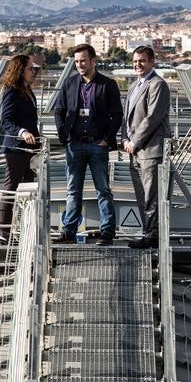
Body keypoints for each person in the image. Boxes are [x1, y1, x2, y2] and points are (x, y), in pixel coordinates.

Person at [54, 43, 123, 246]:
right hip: (74, 145)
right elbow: (59, 110)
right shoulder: (70, 83)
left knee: (103, 189)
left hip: (97, 146)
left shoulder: (107, 84)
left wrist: (107, 139)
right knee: (73, 190)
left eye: (83, 60)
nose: (80, 65)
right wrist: (63, 136)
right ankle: (69, 232)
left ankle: (107, 232)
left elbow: (117, 114)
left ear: (93, 61)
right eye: (76, 61)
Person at [122, 45, 171, 249]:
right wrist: (124, 139)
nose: (138, 64)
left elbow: (152, 118)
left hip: (151, 151)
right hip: (135, 151)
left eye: (142, 60)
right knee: (142, 196)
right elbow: (127, 118)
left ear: (152, 62)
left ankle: (153, 236)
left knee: (152, 196)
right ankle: (147, 233)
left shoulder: (157, 84)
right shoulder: (135, 86)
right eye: (135, 61)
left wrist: (135, 142)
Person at [0, 54, 41, 244]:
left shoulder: (27, 91)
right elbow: (6, 120)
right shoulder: (11, 91)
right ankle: (4, 233)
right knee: (11, 188)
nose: (34, 72)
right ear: (20, 70)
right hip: (16, 148)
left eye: (35, 69)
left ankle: (21, 229)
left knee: (27, 189)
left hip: (30, 149)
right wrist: (22, 132)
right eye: (31, 68)